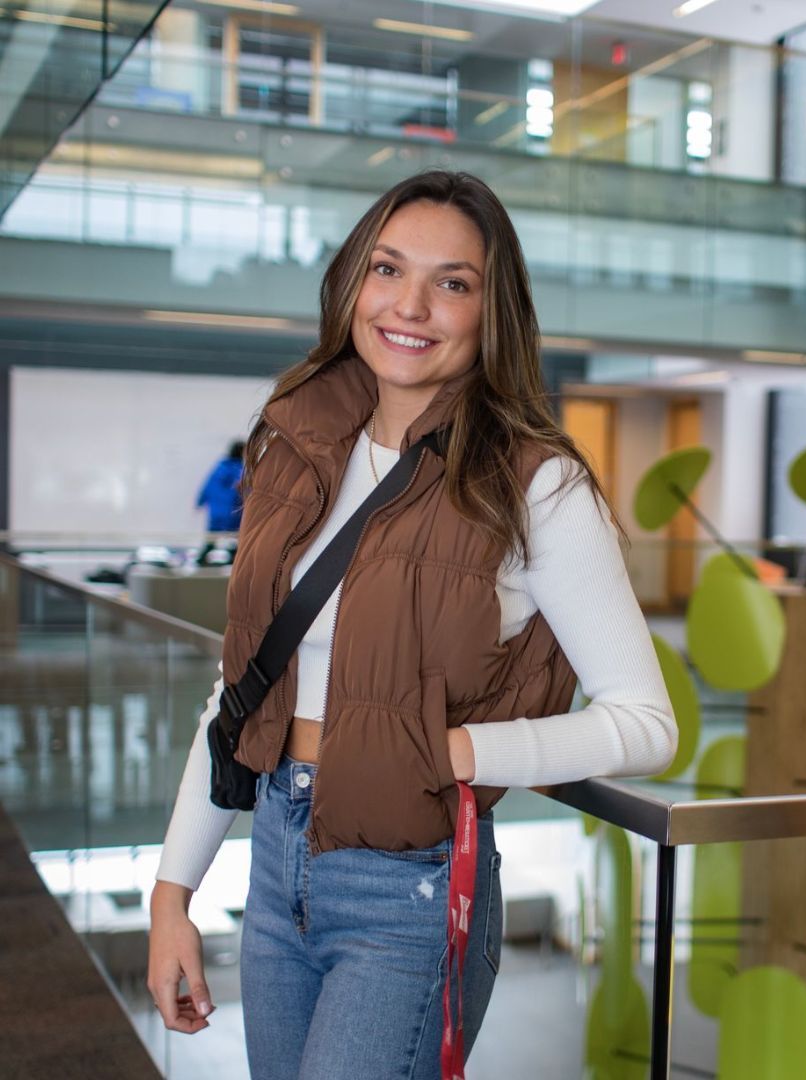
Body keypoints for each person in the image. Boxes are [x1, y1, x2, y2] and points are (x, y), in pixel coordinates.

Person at [147, 170, 676, 1079]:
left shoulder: (533, 483)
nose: (412, 305)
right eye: (388, 269)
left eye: (453, 282)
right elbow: (243, 692)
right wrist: (171, 892)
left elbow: (645, 724)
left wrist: (456, 753)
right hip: (275, 860)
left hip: (412, 885)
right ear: (354, 280)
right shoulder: (293, 446)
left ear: (489, 312)